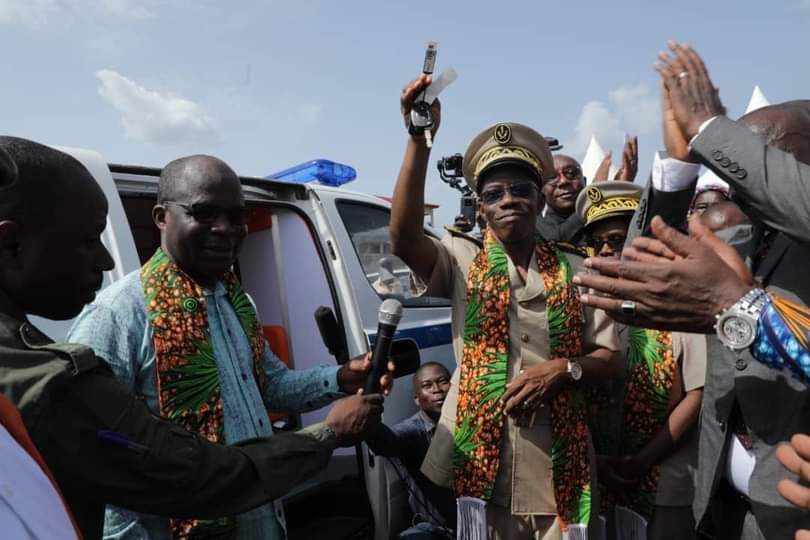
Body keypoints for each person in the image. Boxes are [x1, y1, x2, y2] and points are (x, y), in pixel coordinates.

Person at [0, 136, 385, 540]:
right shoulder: (118, 314)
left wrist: (340, 378)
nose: (226, 229)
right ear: (162, 217)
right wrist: (328, 433)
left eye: (237, 216)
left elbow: (268, 385)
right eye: (204, 213)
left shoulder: (237, 300)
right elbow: (116, 474)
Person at [575, 42, 810, 539]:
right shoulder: (737, 241)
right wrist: (678, 168)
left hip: (793, 511)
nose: (735, 182)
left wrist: (710, 128)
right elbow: (634, 288)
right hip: (721, 506)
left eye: (750, 166)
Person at [390, 73, 620, 539]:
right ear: (480, 210)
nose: (508, 200)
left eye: (520, 189)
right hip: (480, 457)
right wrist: (419, 138)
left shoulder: (580, 267)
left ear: (540, 200)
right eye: (493, 194)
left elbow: (611, 357)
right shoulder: (459, 257)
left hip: (560, 458)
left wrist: (563, 369)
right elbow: (403, 236)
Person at [575, 182, 705, 540]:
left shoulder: (677, 298)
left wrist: (642, 461)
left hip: (664, 478)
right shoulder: (580, 301)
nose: (605, 250)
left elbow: (697, 393)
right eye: (596, 242)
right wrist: (595, 461)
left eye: (616, 239)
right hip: (598, 478)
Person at [366, 362, 456, 536]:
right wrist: (368, 410)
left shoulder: (468, 421)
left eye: (443, 381)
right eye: (427, 386)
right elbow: (385, 442)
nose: (437, 389)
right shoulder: (414, 430)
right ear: (417, 399)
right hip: (436, 529)